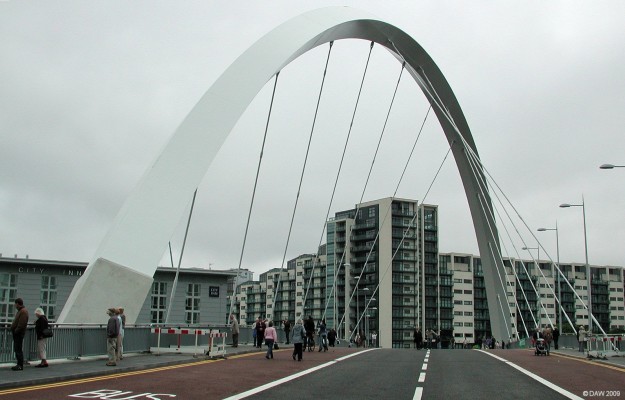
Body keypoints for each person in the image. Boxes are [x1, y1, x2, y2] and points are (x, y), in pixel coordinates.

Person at [10, 298, 29, 371]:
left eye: (15, 303)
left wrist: (16, 331)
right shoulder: (21, 311)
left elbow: (22, 324)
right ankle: (19, 364)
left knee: (18, 349)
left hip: (18, 333)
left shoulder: (23, 312)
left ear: (18, 303)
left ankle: (20, 365)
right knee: (17, 348)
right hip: (17, 333)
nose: (15, 305)